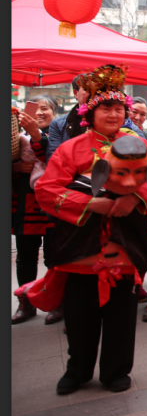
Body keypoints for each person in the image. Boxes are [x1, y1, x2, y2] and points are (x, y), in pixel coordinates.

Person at [34, 65, 147, 395]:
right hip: (82, 248)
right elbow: (46, 189)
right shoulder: (71, 148)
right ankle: (77, 370)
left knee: (121, 313)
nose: (114, 113)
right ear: (89, 113)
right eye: (106, 107)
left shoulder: (141, 145)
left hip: (123, 245)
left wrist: (134, 198)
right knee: (79, 316)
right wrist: (90, 204)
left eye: (119, 108)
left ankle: (117, 371)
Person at [12, 95, 59, 324]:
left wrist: (35, 134)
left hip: (52, 204)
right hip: (25, 202)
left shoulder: (59, 133)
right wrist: (15, 165)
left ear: (54, 113)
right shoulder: (15, 136)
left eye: (45, 109)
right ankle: (26, 303)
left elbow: (53, 159)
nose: (39, 113)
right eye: (34, 108)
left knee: (54, 256)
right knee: (26, 256)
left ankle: (54, 302)